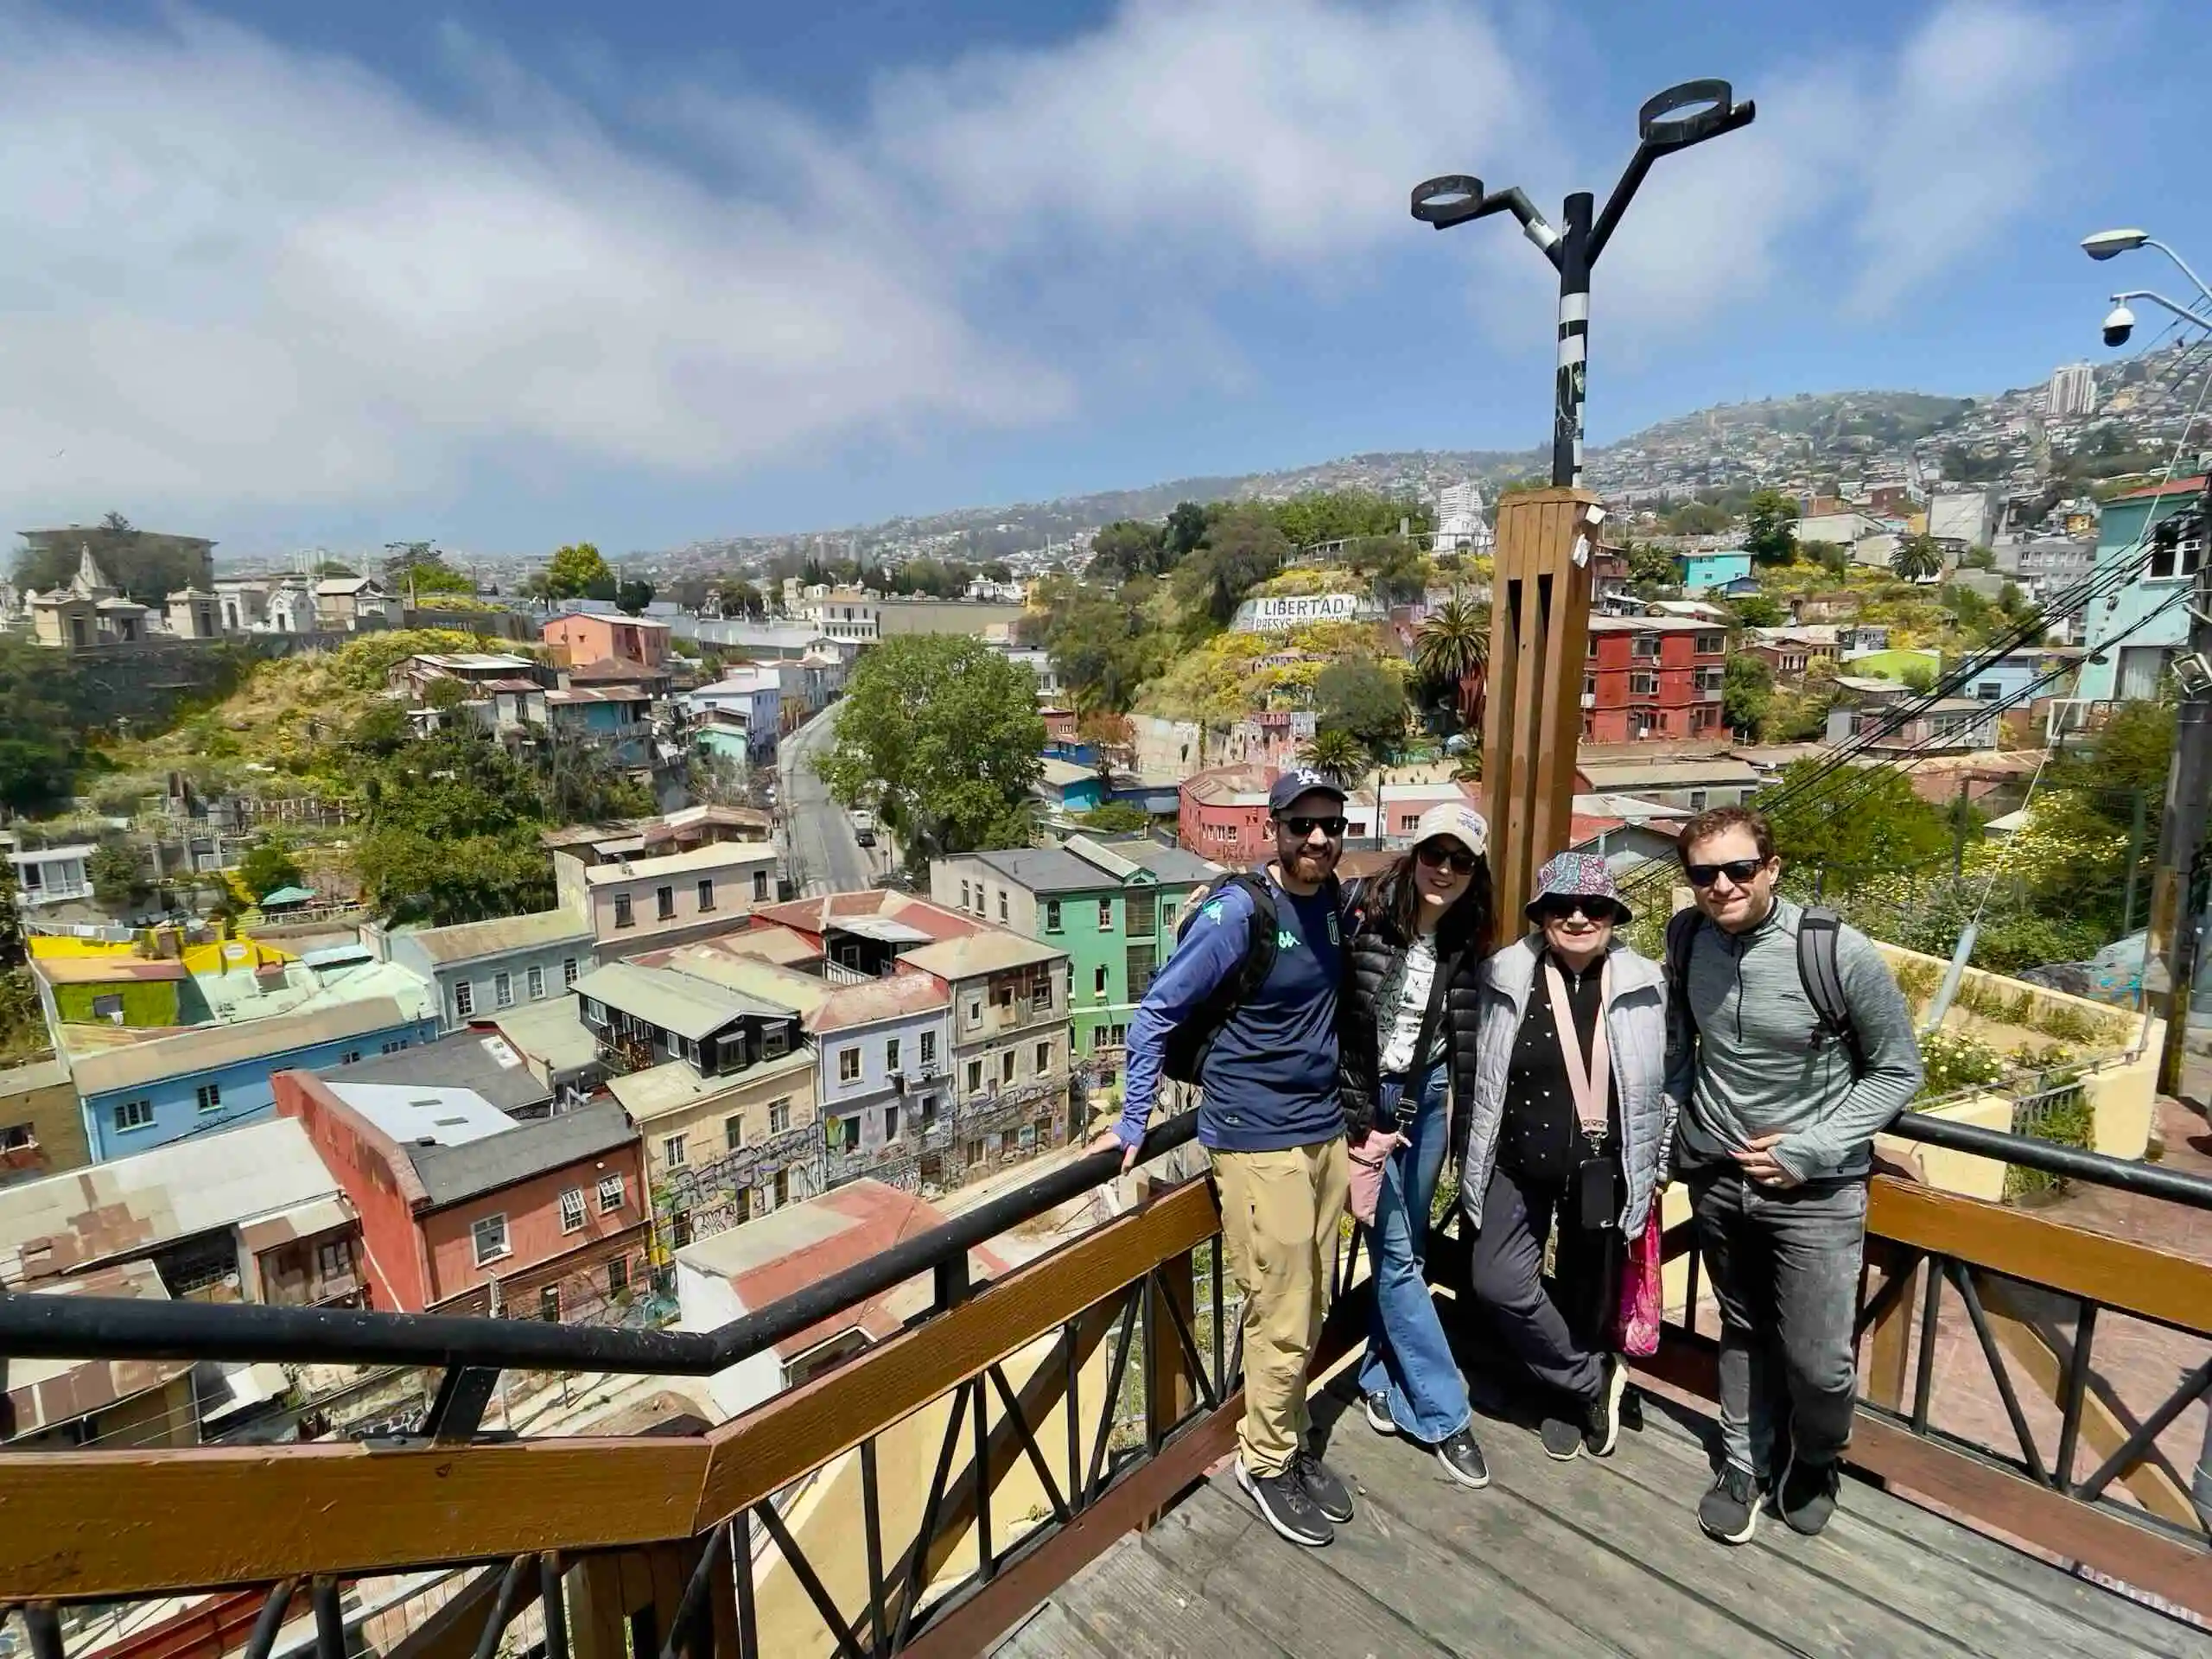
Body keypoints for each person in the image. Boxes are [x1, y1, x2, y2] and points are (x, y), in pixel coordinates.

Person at [1095, 768, 1358, 1548]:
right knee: (1278, 1307)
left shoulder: (1333, 907)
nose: (1318, 838)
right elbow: (1156, 1013)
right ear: (1272, 829)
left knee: (1311, 1301)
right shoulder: (1239, 913)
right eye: (1302, 824)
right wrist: (1133, 1117)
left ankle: (1292, 1430)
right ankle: (1267, 1457)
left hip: (1322, 1129)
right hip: (1254, 1135)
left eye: (1331, 825)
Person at [1665, 806, 1923, 1545]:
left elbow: (1899, 1071)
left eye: (1739, 869)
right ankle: (1743, 1463)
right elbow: (1684, 1042)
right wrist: (1678, 1124)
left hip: (1818, 1191)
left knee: (1820, 1360)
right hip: (1718, 1174)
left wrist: (1808, 1148)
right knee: (1742, 1329)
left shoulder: (1838, 952)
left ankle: (1814, 1459)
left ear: (1772, 869)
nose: (1722, 887)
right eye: (1704, 874)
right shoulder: (1687, 939)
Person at [1456, 851, 1673, 1462]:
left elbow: (1672, 1078)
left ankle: (1564, 1401)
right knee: (1496, 1281)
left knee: (1587, 1290)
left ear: (1612, 915)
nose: (1578, 917)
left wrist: (1656, 1162)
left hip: (1602, 1167)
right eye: (1561, 907)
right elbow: (1474, 1066)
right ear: (1541, 916)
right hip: (1515, 1160)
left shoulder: (1648, 983)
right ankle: (1589, 1380)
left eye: (1593, 907)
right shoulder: (1504, 974)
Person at [1338, 802, 1494, 1490]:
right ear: (1414, 852)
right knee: (1398, 1255)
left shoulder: (1468, 938)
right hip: (1369, 1106)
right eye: (1436, 853)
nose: (1445, 870)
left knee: (1412, 1249)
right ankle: (1443, 1413)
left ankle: (1377, 1375)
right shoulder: (1362, 909)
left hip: (1428, 1098)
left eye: (1461, 861)